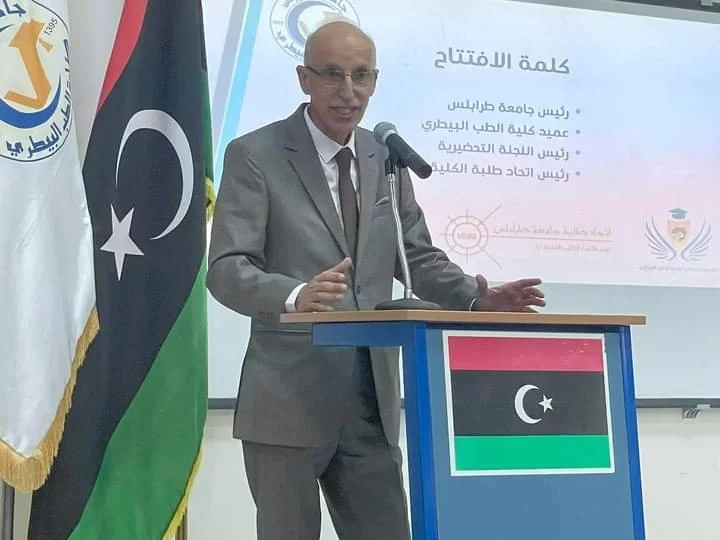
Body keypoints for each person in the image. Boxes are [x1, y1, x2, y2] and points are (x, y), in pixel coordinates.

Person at [206, 20, 545, 540]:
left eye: (361, 76)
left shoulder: (383, 157)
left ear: (375, 81)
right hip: (288, 399)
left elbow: (416, 258)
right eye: (332, 74)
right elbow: (227, 268)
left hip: (370, 400)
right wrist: (295, 295)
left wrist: (478, 300)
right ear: (304, 78)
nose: (348, 91)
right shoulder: (256, 154)